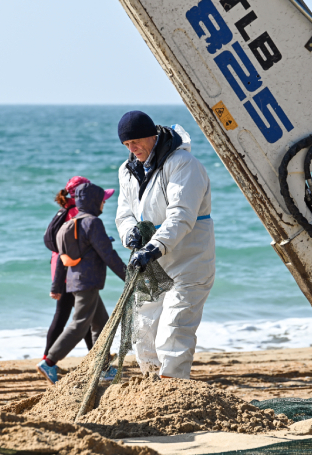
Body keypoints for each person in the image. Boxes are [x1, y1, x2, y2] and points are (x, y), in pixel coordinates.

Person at [115, 110, 215, 380]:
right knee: (143, 330)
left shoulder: (183, 164)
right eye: (126, 144)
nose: (132, 149)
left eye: (136, 141)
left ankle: (172, 388)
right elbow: (124, 214)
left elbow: (182, 215)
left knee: (174, 331)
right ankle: (151, 384)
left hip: (189, 262)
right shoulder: (127, 171)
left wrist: (154, 246)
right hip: (152, 265)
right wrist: (129, 234)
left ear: (152, 135)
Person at [37, 182, 127, 384]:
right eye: (102, 200)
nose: (104, 204)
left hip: (75, 283)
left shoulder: (67, 226)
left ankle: (102, 368)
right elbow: (108, 255)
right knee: (79, 324)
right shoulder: (93, 223)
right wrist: (128, 276)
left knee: (101, 324)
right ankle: (49, 362)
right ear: (94, 201)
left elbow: (62, 261)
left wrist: (56, 286)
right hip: (88, 282)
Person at [42, 176, 106, 361]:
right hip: (71, 271)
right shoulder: (76, 213)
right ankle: (49, 360)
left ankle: (95, 357)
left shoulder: (64, 210)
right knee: (73, 317)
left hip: (62, 267)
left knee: (83, 316)